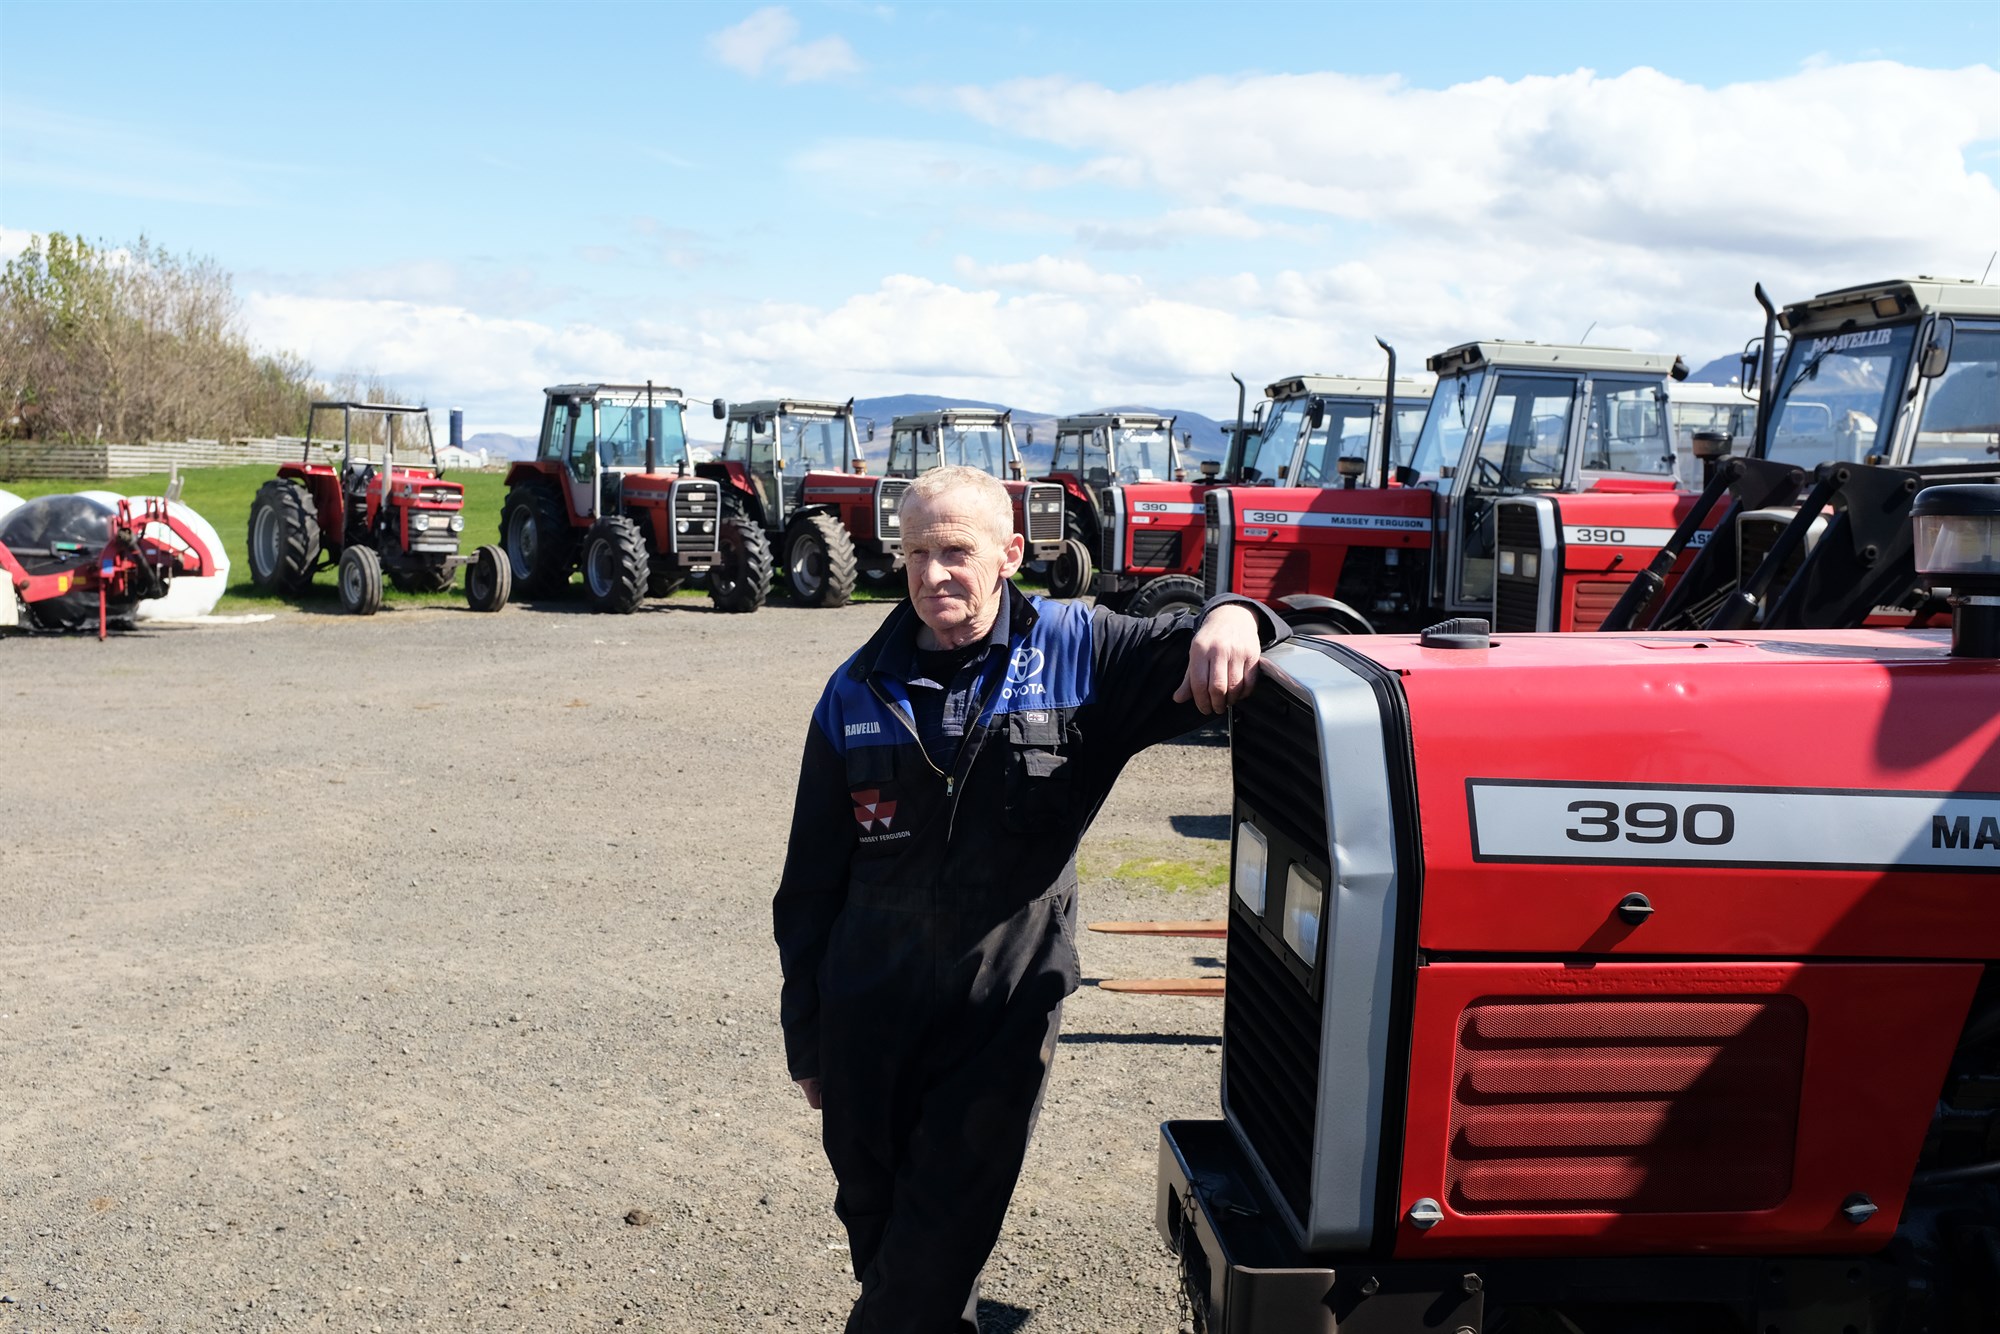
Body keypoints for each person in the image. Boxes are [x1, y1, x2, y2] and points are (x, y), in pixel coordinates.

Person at [773, 465, 1285, 1332]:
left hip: (1000, 1012)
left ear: (1011, 553)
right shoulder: (855, 689)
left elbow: (1231, 631)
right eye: (916, 553)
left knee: (938, 1242)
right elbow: (810, 882)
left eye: (956, 552)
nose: (935, 575)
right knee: (880, 1228)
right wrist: (807, 1037)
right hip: (868, 1008)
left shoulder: (1082, 652)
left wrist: (1238, 613)